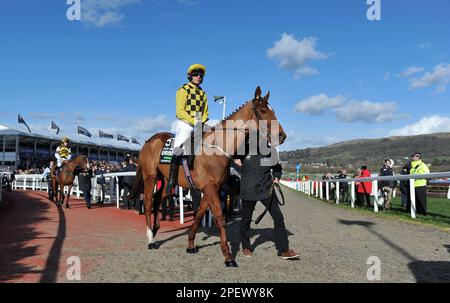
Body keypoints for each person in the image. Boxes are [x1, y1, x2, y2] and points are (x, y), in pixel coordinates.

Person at [239, 145, 299, 260]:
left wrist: (276, 177)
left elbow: (277, 167)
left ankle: (284, 250)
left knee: (278, 217)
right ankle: (246, 247)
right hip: (248, 190)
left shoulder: (268, 152)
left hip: (266, 190)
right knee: (246, 220)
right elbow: (231, 157)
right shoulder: (244, 148)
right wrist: (240, 169)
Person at [166, 64, 209, 195]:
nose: (198, 77)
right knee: (179, 147)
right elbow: (179, 111)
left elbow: (206, 112)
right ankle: (172, 181)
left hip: (199, 122)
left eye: (200, 75)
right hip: (185, 122)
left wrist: (202, 121)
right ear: (190, 76)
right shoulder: (183, 90)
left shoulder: (203, 93)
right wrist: (194, 121)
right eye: (196, 74)